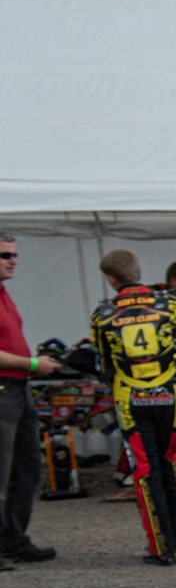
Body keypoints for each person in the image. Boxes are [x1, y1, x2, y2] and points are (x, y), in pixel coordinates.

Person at [90, 248, 176, 563]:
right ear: (137, 270)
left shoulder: (102, 315)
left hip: (131, 399)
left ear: (111, 278)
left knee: (146, 470)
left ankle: (161, 546)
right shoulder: (172, 305)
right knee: (173, 460)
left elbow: (104, 364)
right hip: (169, 396)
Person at [0, 234, 67, 568]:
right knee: (5, 470)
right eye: (5, 255)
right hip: (5, 388)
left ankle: (13, 539)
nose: (13, 260)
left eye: (15, 254)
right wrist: (31, 364)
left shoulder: (3, 293)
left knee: (26, 468)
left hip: (17, 388)